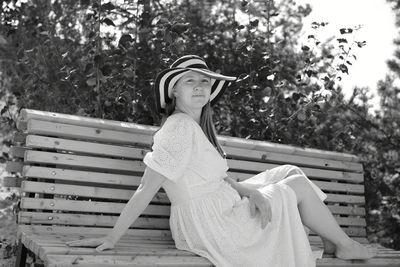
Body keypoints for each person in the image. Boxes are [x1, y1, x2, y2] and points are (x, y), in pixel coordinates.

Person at [66, 55, 377, 266]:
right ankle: (344, 245)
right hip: (212, 223)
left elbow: (214, 179)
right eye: (190, 81)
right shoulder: (178, 129)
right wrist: (112, 237)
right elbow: (146, 188)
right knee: (295, 184)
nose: (200, 86)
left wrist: (251, 191)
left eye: (204, 81)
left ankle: (334, 243)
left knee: (288, 172)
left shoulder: (192, 127)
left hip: (220, 206)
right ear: (174, 90)